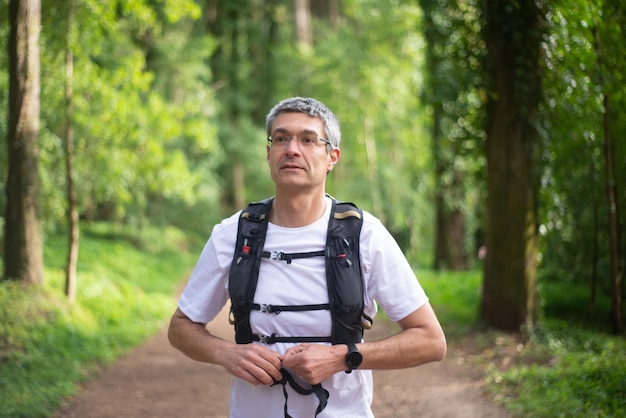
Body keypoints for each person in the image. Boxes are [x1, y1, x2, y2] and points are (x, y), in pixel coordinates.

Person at [168, 97, 446, 417]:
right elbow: (180, 327)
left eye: (309, 139)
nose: (292, 149)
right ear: (269, 153)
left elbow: (431, 340)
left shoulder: (365, 235)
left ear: (332, 157)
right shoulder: (232, 234)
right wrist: (226, 353)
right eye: (281, 138)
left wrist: (344, 357)